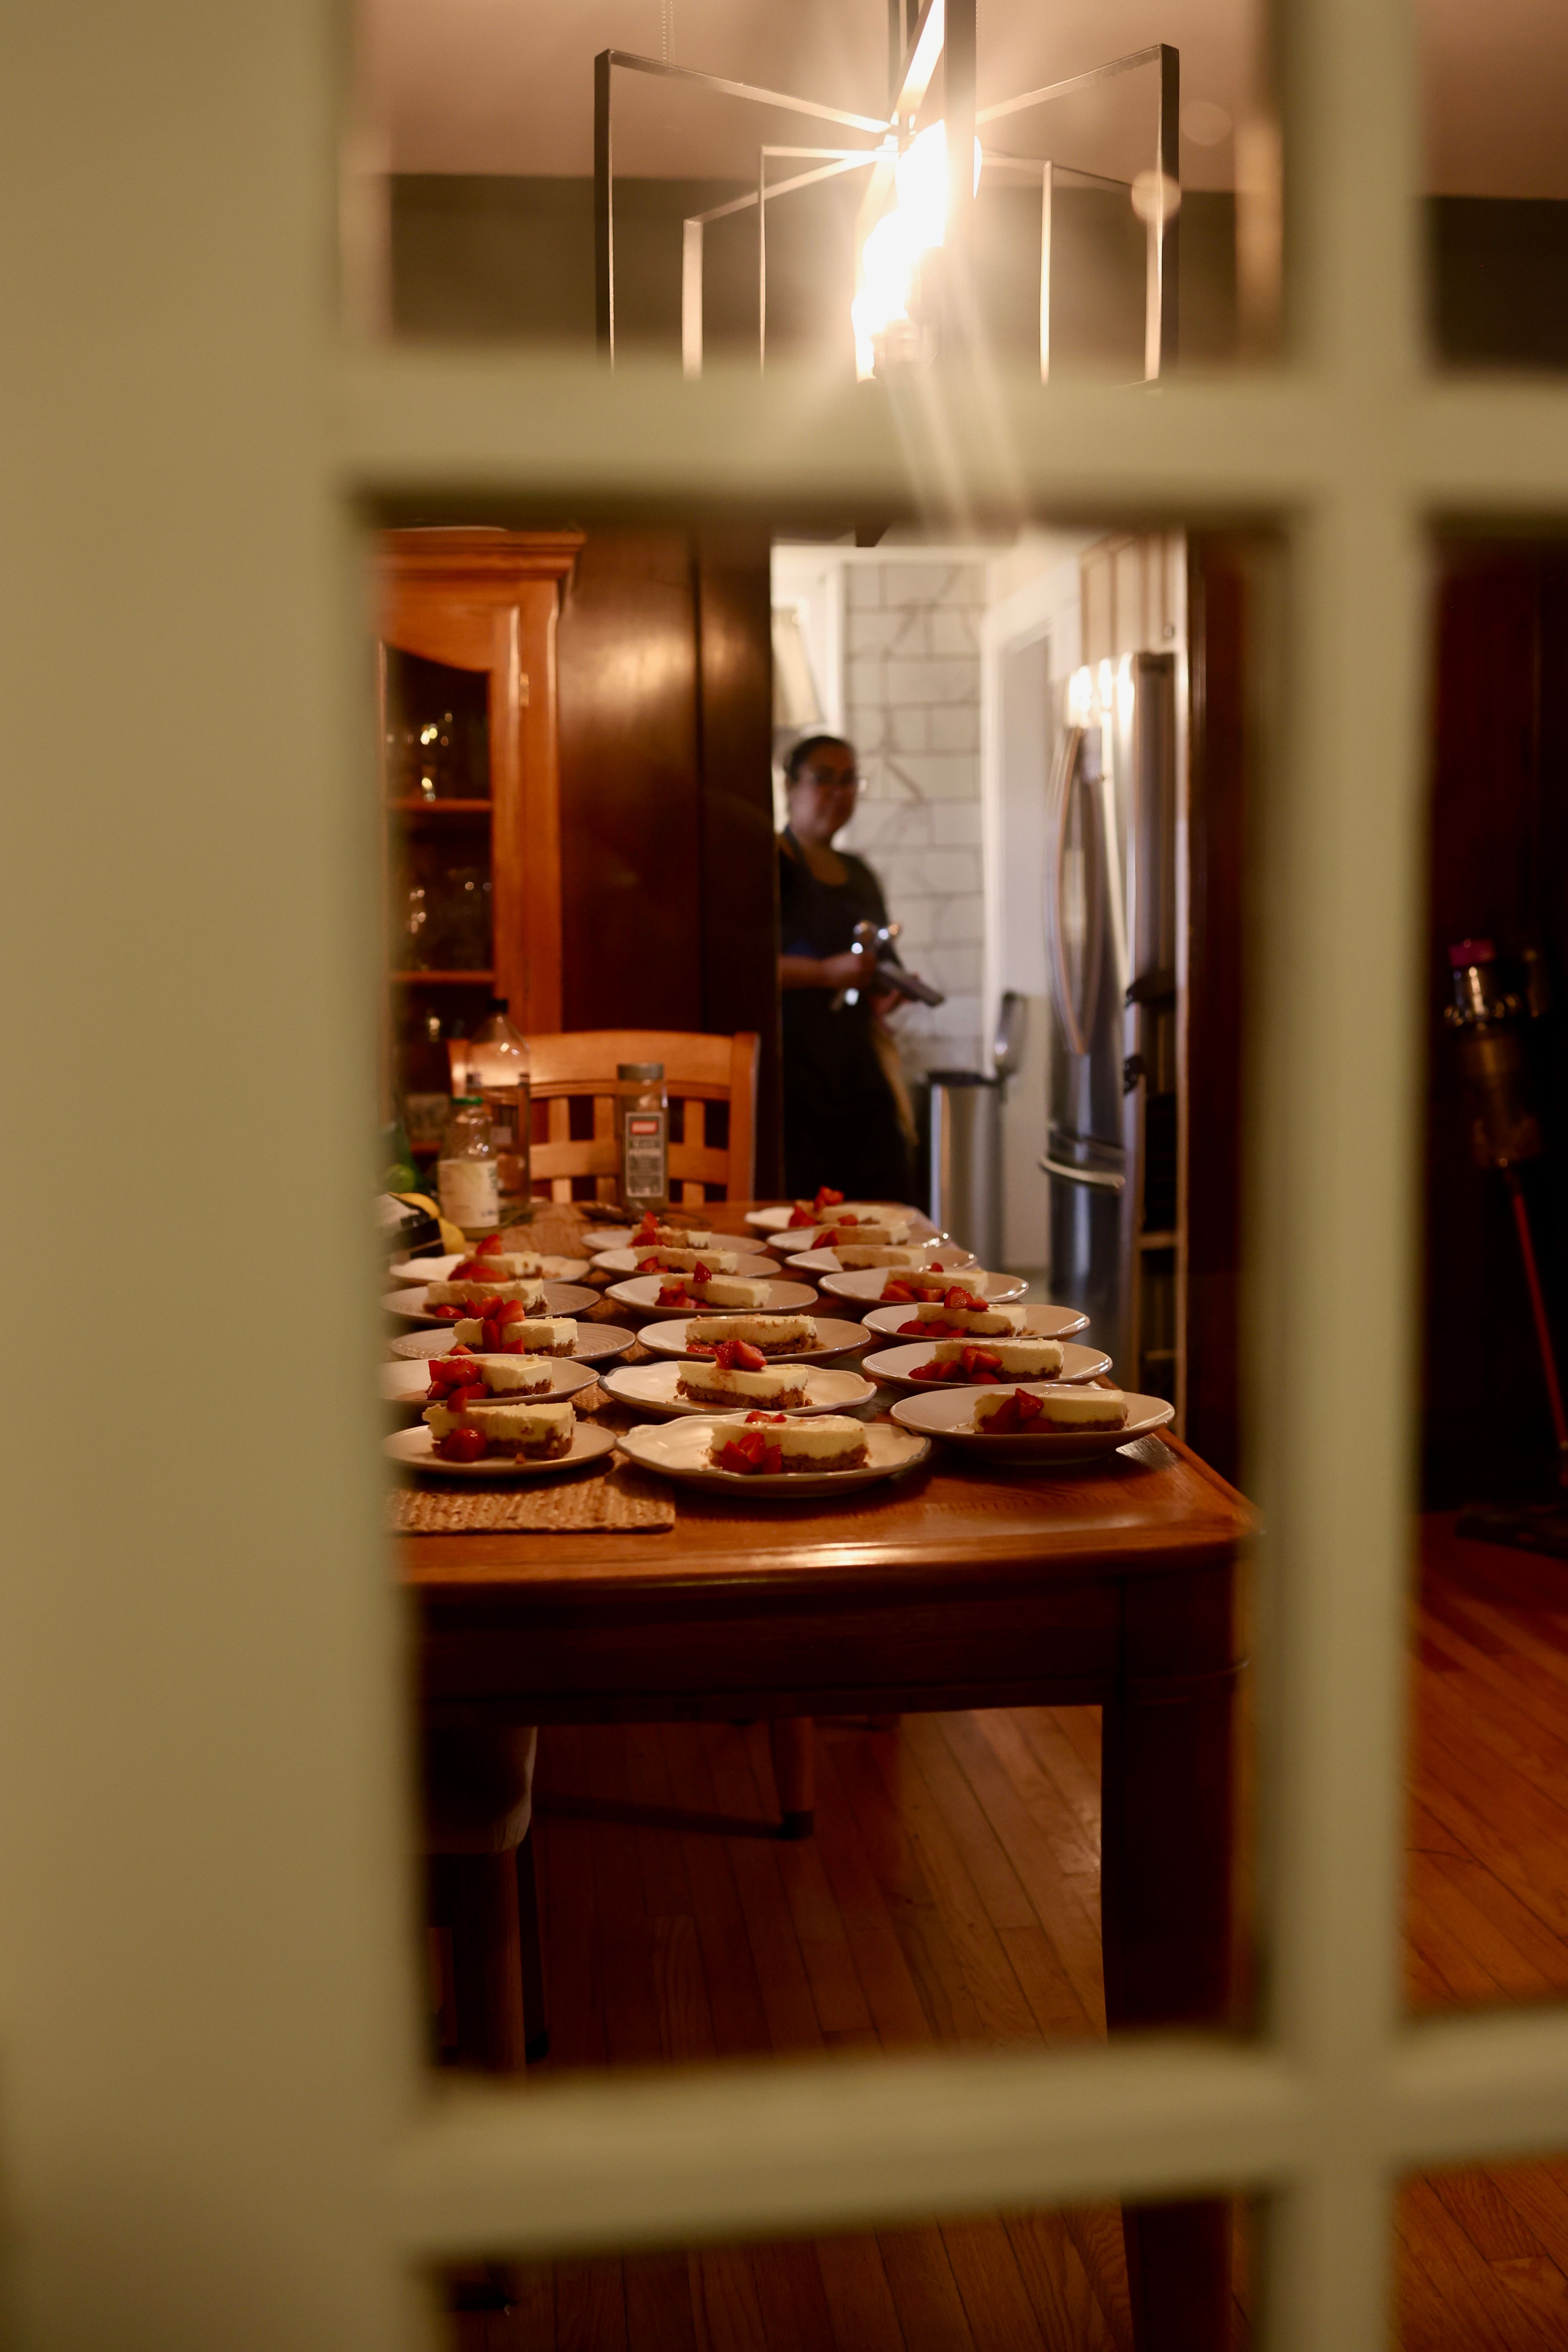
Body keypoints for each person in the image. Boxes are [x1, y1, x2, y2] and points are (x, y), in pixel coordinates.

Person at [777, 732, 915, 1205]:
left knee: (885, 1207)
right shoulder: (771, 864)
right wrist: (824, 974)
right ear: (790, 787)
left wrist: (887, 989)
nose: (840, 792)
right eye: (824, 779)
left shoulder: (858, 873)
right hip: (793, 1080)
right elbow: (748, 970)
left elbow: (881, 957)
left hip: (856, 1072)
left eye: (850, 780)